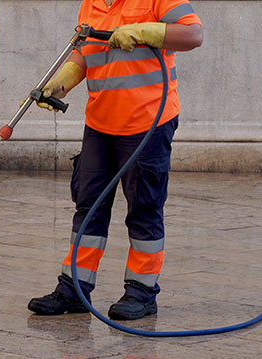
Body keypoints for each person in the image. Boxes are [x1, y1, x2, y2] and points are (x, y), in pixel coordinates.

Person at [27, 0, 203, 320]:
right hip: (100, 123)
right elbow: (85, 51)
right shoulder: (90, 4)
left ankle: (142, 292)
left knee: (143, 208)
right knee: (88, 205)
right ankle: (74, 289)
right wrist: (61, 82)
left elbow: (192, 35)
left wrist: (143, 31)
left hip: (148, 121)